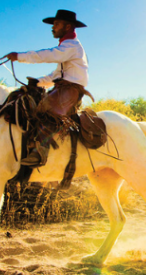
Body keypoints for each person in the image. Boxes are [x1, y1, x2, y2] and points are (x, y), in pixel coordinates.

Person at [5, 9, 89, 167]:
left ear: (68, 26)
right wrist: (38, 82)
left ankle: (40, 153)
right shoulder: (66, 47)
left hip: (71, 89)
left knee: (49, 112)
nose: (53, 27)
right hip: (62, 87)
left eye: (57, 24)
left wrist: (20, 56)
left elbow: (50, 55)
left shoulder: (71, 46)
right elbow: (55, 75)